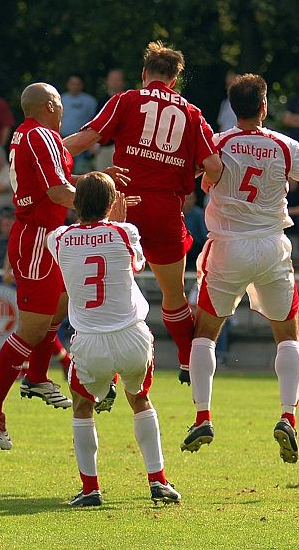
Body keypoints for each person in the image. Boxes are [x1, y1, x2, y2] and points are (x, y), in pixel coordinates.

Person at [182, 73, 299, 462]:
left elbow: (189, 179)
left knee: (204, 335)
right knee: (287, 336)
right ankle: (288, 416)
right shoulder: (286, 145)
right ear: (264, 106)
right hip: (271, 247)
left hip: (227, 248)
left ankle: (202, 415)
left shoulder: (218, 143)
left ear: (233, 109)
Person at [65, 41, 222, 384]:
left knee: (114, 290)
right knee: (174, 294)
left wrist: (49, 153)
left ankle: (107, 373)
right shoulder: (191, 113)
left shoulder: (126, 100)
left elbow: (86, 138)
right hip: (165, 208)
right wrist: (190, 177)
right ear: (175, 80)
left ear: (144, 74)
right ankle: (186, 362)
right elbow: (214, 165)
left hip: (122, 206)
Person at [48, 172, 180, 507]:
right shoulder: (126, 231)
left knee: (82, 406)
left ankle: (91, 488)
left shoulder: (59, 238)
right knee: (139, 399)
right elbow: (135, 264)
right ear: (111, 203)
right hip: (131, 336)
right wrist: (116, 223)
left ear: (77, 204)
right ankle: (158, 481)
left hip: (89, 341)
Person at [0, 83, 78, 451]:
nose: (63, 111)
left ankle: (36, 375)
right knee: (30, 329)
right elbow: (59, 194)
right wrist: (103, 201)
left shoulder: (30, 136)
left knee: (61, 305)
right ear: (50, 106)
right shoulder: (41, 135)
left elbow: (61, 184)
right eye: (60, 104)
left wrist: (96, 182)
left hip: (47, 234)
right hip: (38, 237)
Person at [61, 74, 98, 174]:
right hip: (63, 141)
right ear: (67, 84)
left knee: (81, 172)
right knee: (64, 170)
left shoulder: (90, 101)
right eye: (72, 84)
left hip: (82, 141)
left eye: (77, 84)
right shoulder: (60, 99)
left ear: (82, 85)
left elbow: (94, 122)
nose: (75, 86)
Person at [92, 69, 127, 172]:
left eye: (117, 79)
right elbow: (96, 123)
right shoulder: (102, 101)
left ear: (123, 82)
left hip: (123, 147)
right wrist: (94, 143)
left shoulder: (129, 101)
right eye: (112, 79)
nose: (114, 82)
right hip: (105, 147)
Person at [183, 192, 208, 270]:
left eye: (189, 199)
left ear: (194, 200)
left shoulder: (199, 215)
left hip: (195, 250)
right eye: (185, 198)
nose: (186, 201)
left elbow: (205, 237)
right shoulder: (173, 214)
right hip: (178, 248)